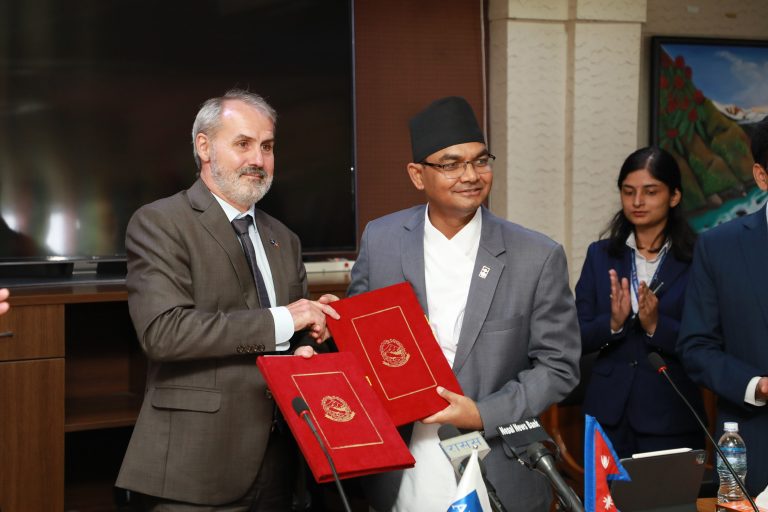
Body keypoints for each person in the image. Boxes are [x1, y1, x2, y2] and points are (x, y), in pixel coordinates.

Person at [347, 96, 580, 511]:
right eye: (451, 164)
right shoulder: (380, 240)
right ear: (417, 175)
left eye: (480, 161)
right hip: (403, 466)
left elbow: (559, 366)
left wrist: (482, 413)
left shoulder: (536, 256)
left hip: (498, 465)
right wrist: (331, 326)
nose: (471, 176)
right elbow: (358, 346)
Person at [115, 89, 338, 510]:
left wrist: (316, 333)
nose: (258, 159)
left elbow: (295, 338)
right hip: (196, 465)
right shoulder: (160, 222)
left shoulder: (284, 239)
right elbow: (164, 333)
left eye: (267, 146)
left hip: (283, 461)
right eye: (243, 144)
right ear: (204, 147)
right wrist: (286, 319)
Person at [575, 146, 705, 458]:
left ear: (674, 196)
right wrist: (612, 324)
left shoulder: (699, 257)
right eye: (628, 191)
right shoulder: (600, 255)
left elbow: (707, 340)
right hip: (608, 414)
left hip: (671, 411)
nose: (637, 201)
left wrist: (656, 326)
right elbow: (574, 335)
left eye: (650, 191)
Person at [678, 117, 768, 496]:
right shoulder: (719, 247)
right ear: (761, 176)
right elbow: (696, 347)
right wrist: (757, 386)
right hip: (755, 447)